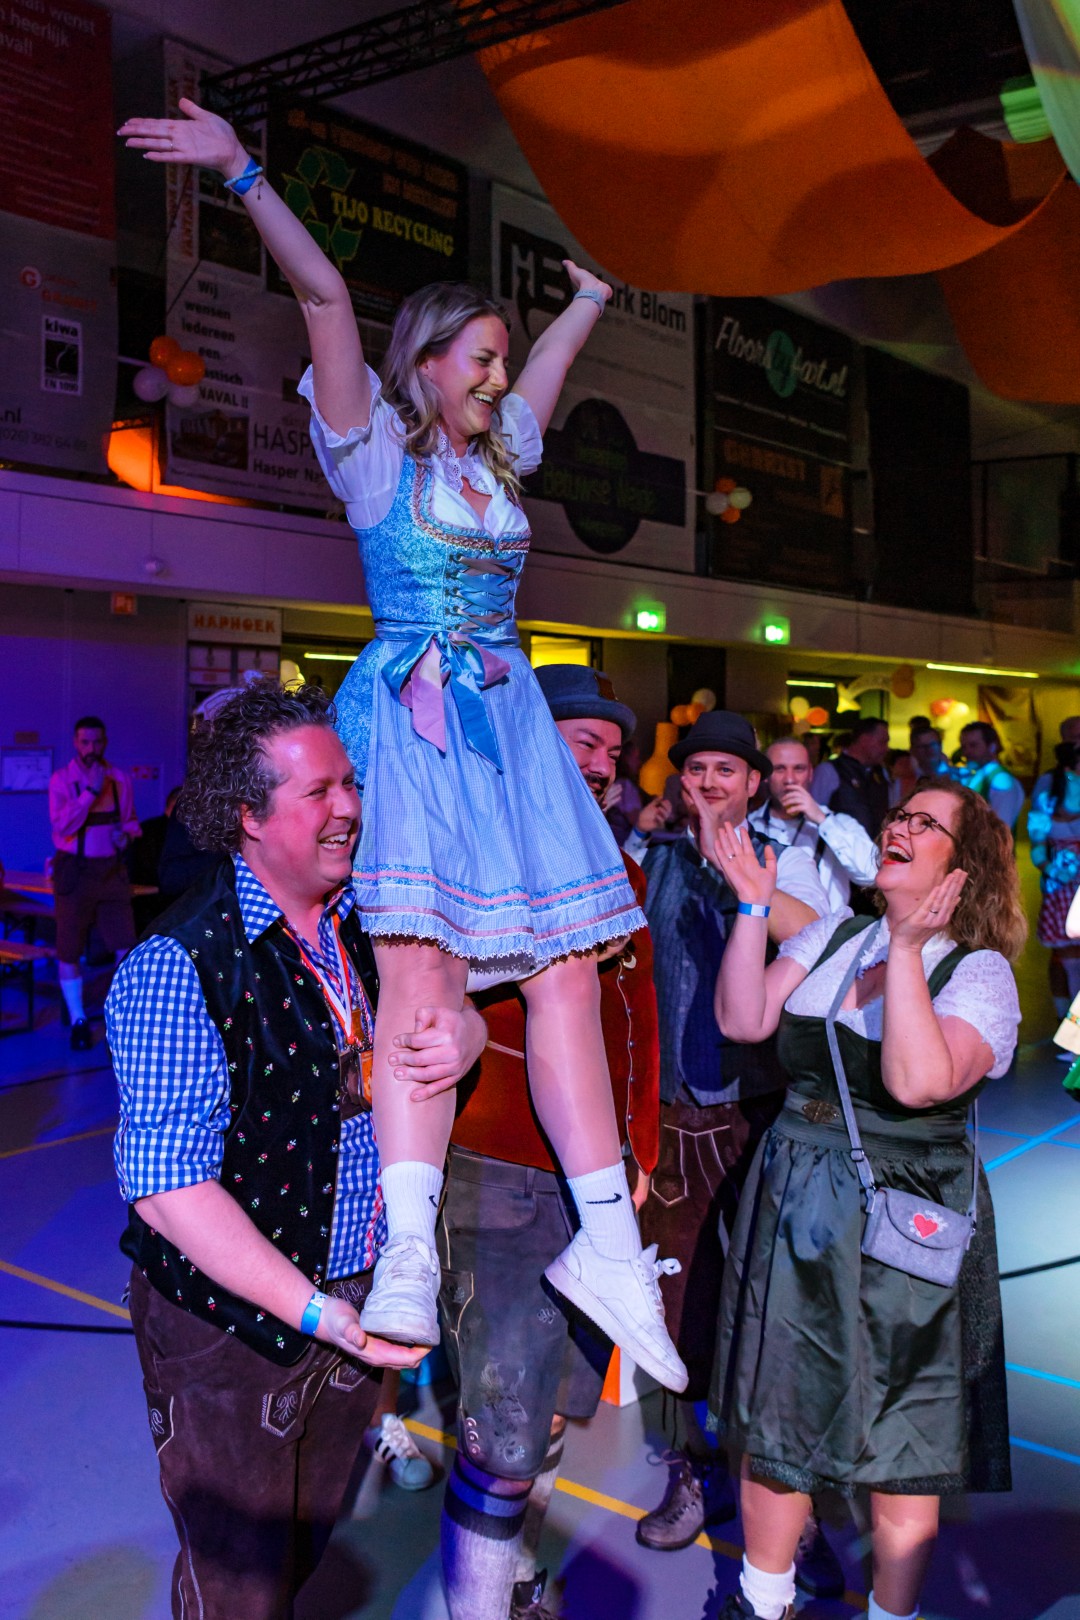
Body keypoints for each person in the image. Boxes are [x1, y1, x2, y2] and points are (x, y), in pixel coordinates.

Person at [119, 101, 684, 1387]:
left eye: (500, 360)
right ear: (426, 362)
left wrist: (589, 306)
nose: (496, 378)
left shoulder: (502, 461)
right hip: (416, 715)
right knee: (424, 979)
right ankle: (410, 1251)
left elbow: (543, 391)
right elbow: (324, 297)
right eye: (478, 359)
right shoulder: (376, 458)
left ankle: (608, 1242)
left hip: (507, 726)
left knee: (564, 971)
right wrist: (242, 172)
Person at [106, 679, 488, 1619]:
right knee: (240, 1586)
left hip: (352, 1296)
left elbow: (454, 1008)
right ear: (249, 815)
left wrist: (467, 1033)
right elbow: (168, 1190)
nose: (348, 807)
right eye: (318, 791)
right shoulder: (180, 963)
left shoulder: (373, 924)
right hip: (232, 1328)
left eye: (350, 783)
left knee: (303, 1553)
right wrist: (316, 1312)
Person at [710, 778, 1024, 1620]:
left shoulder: (979, 974)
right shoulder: (834, 933)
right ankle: (762, 1600)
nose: (900, 827)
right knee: (777, 1418)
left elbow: (916, 1082)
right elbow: (742, 1019)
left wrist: (910, 951)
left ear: (964, 866)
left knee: (899, 1430)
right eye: (900, 814)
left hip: (902, 1212)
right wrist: (752, 906)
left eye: (926, 823)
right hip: (795, 1199)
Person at [438, 665, 661, 1620]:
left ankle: (518, 1581)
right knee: (501, 1436)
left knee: (557, 1406)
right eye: (586, 743)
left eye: (615, 751)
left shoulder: (621, 866)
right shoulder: (476, 849)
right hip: (504, 1168)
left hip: (596, 1182)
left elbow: (638, 1022)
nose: (606, 764)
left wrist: (640, 1147)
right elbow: (431, 988)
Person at [633, 712, 841, 1597]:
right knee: (677, 1304)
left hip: (763, 1112)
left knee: (775, 1313)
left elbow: (829, 941)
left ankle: (790, 1507)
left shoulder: (786, 859)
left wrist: (749, 884)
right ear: (681, 781)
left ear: (755, 783)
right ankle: (696, 1468)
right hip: (670, 1113)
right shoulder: (651, 858)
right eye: (698, 769)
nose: (712, 781)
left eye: (728, 769)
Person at [48, 715, 140, 1050]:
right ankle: (78, 1020)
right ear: (76, 743)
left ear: (105, 743)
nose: (92, 748)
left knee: (125, 944)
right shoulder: (62, 780)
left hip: (111, 871)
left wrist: (125, 835)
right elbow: (62, 826)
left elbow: (131, 822)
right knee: (69, 947)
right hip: (74, 870)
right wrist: (90, 792)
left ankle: (119, 1014)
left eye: (97, 742)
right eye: (85, 742)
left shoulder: (120, 778)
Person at [749, 736, 879, 911]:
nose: (790, 779)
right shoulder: (750, 825)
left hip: (827, 926)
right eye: (779, 769)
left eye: (799, 769)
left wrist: (822, 821)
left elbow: (872, 874)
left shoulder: (840, 824)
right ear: (766, 776)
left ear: (811, 773)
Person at [1029, 738, 1080, 1050]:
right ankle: (1072, 1036)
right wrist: (1053, 870)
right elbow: (1037, 849)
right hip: (1062, 889)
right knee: (1068, 960)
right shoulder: (1047, 801)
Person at [812, 717, 895, 839]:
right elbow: (814, 814)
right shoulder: (829, 770)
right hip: (840, 847)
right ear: (864, 740)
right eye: (882, 742)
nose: (886, 749)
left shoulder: (881, 772)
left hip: (875, 847)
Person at [956, 722, 1024, 832]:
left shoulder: (1000, 779)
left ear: (992, 747)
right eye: (964, 747)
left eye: (973, 745)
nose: (967, 752)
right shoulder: (977, 776)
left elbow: (1001, 827)